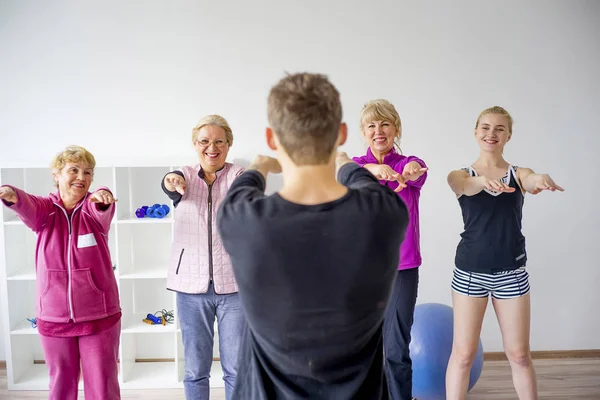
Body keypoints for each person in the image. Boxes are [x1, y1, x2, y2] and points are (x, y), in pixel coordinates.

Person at [217, 72, 410, 399]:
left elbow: (242, 190)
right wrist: (345, 162)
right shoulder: (384, 215)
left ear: (271, 138)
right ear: (342, 133)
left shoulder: (243, 220)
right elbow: (365, 184)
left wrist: (261, 166)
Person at [445, 106, 564, 400]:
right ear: (475, 132)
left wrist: (541, 179)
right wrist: (482, 182)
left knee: (520, 355)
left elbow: (531, 178)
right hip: (470, 272)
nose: (491, 133)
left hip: (511, 273)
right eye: (485, 127)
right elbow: (463, 186)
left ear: (508, 135)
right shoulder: (461, 174)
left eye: (499, 128)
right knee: (462, 355)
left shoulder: (517, 174)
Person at [0, 145, 121, 400]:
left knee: (102, 385)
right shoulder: (45, 212)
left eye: (88, 172)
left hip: (99, 314)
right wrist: (13, 195)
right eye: (73, 170)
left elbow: (102, 205)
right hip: (54, 315)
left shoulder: (91, 209)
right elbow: (28, 204)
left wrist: (102, 195)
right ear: (56, 175)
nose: (81, 177)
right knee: (61, 386)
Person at [161, 114, 245, 400]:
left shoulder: (239, 177)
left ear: (228, 144)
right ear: (195, 145)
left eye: (219, 141)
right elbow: (170, 182)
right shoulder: (183, 175)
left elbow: (250, 192)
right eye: (205, 141)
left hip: (234, 287)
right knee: (196, 368)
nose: (212, 147)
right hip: (190, 287)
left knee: (236, 368)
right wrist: (170, 181)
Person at [352, 99, 428, 400]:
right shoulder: (356, 167)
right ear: (363, 131)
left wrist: (406, 170)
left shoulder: (409, 164)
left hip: (402, 269)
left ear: (396, 128)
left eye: (385, 123)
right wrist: (375, 168)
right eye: (371, 124)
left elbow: (418, 169)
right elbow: (346, 173)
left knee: (396, 349)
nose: (378, 130)